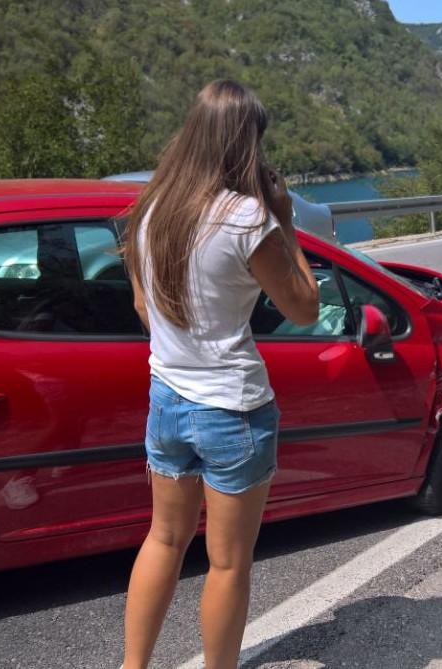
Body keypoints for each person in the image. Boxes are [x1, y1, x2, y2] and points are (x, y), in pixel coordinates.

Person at [121, 80, 320, 669]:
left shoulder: (153, 209)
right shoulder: (245, 218)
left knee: (163, 539)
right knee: (228, 561)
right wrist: (285, 221)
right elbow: (304, 308)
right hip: (232, 408)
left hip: (166, 399)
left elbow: (141, 306)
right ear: (244, 142)